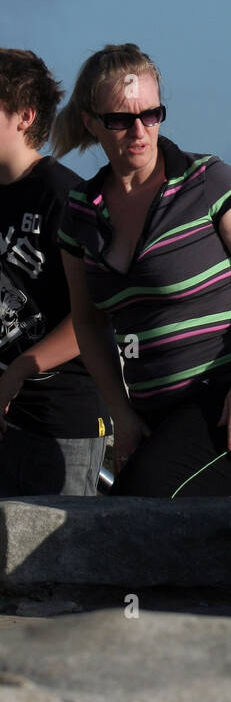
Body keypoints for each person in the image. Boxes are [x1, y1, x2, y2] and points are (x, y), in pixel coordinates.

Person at [55, 44, 231, 498]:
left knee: (137, 501)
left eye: (151, 114)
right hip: (154, 412)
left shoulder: (207, 181)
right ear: (91, 123)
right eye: (121, 120)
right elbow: (88, 321)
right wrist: (120, 415)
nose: (139, 131)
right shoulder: (79, 212)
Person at [0, 49, 109, 496]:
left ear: (24, 116)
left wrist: (16, 373)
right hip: (8, 419)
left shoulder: (64, 198)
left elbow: (95, 317)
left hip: (60, 422)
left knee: (53, 564)